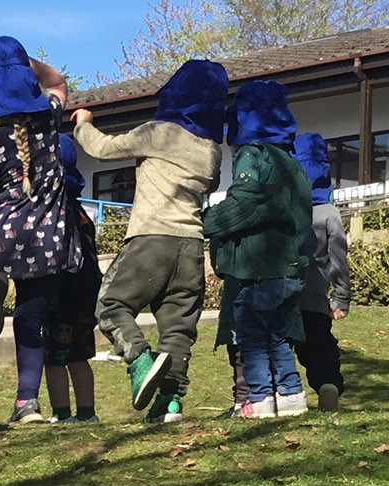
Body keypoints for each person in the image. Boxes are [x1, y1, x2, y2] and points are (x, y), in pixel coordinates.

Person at [72, 59, 227, 423]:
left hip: (151, 238)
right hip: (191, 247)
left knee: (110, 304)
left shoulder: (159, 132)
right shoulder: (211, 150)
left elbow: (104, 149)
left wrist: (83, 124)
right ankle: (169, 404)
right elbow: (212, 184)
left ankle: (140, 361)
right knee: (178, 328)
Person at [0, 36, 81, 426]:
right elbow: (59, 84)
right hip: (49, 242)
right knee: (31, 321)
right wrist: (29, 64)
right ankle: (27, 402)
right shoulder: (50, 125)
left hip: (3, 241)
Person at [205, 80, 312, 419]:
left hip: (258, 270)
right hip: (290, 269)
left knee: (250, 338)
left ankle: (261, 401)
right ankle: (292, 395)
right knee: (279, 337)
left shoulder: (254, 155)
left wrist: (206, 221)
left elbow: (246, 204)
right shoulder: (293, 164)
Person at [42, 134, 102, 424]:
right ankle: (87, 412)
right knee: (79, 355)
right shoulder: (81, 213)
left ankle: (61, 412)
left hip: (59, 294)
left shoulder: (51, 210)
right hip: (85, 294)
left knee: (54, 357)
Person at [291, 133, 351, 412]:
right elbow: (338, 257)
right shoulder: (329, 212)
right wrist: (341, 297)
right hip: (314, 298)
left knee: (279, 348)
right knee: (320, 348)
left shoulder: (285, 210)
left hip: (282, 294)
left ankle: (281, 391)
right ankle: (327, 383)